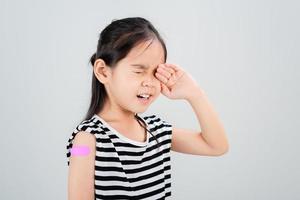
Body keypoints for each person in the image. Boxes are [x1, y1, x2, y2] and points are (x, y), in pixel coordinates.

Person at [66, 17, 229, 200]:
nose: (149, 82)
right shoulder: (85, 141)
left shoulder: (156, 131)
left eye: (155, 73)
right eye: (138, 71)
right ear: (103, 71)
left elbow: (216, 146)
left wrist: (195, 94)